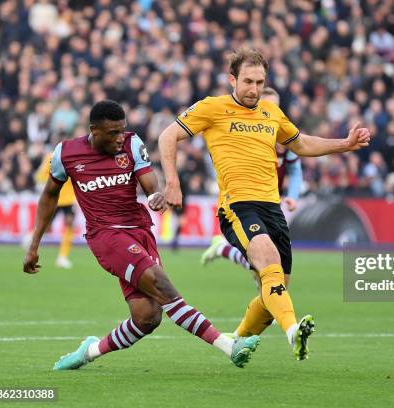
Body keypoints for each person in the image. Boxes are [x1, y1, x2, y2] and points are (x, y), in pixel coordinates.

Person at [158, 48, 371, 360]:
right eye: (247, 81)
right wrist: (172, 183)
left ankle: (237, 342)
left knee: (274, 290)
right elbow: (168, 135)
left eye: (259, 82)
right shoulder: (213, 107)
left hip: (273, 209)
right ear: (232, 79)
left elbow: (301, 143)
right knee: (269, 261)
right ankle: (293, 332)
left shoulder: (271, 113)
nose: (254, 89)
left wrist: (345, 144)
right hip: (238, 206)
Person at [23, 100, 260, 370]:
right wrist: (34, 245)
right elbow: (48, 198)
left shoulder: (132, 144)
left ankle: (87, 351)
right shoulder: (66, 153)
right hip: (106, 237)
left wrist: (156, 196)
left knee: (147, 317)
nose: (119, 137)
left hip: (140, 232)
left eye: (122, 130)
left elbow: (148, 182)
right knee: (162, 285)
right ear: (94, 131)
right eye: (113, 133)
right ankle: (229, 346)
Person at [200, 87, 303, 275]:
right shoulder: (244, 132)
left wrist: (293, 196)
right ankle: (274, 302)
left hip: (271, 201)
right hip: (243, 200)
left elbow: (295, 168)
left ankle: (223, 249)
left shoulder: (283, 134)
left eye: (274, 106)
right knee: (263, 263)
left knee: (271, 264)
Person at [30, 142, 78, 269]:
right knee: (46, 226)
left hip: (69, 199)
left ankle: (62, 257)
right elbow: (40, 175)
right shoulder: (51, 157)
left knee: (69, 223)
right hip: (55, 197)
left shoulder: (75, 157)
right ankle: (29, 240)